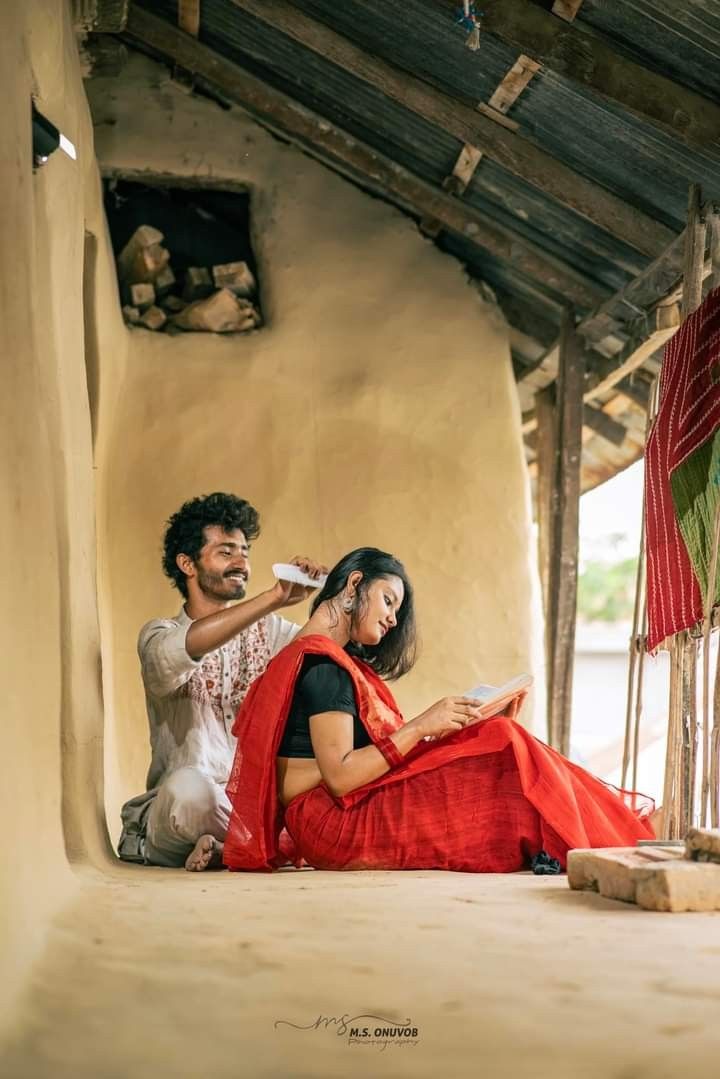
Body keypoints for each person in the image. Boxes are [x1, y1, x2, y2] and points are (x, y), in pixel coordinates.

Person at [223, 547, 655, 873]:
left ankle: (606, 840)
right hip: (332, 823)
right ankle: (616, 842)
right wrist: (421, 727)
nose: (393, 618)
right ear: (354, 585)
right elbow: (340, 777)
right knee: (503, 747)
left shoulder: (323, 661)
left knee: (498, 742)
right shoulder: (323, 667)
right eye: (389, 600)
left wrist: (457, 727)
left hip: (338, 812)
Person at [117, 492, 326, 871]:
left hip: (248, 806)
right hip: (180, 812)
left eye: (245, 551)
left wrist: (337, 589)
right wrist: (274, 598)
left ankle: (223, 849)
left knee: (320, 793)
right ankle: (266, 845)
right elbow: (184, 648)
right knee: (189, 793)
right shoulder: (158, 634)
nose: (242, 562)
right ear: (187, 564)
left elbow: (320, 646)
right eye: (226, 551)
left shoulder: (272, 632)